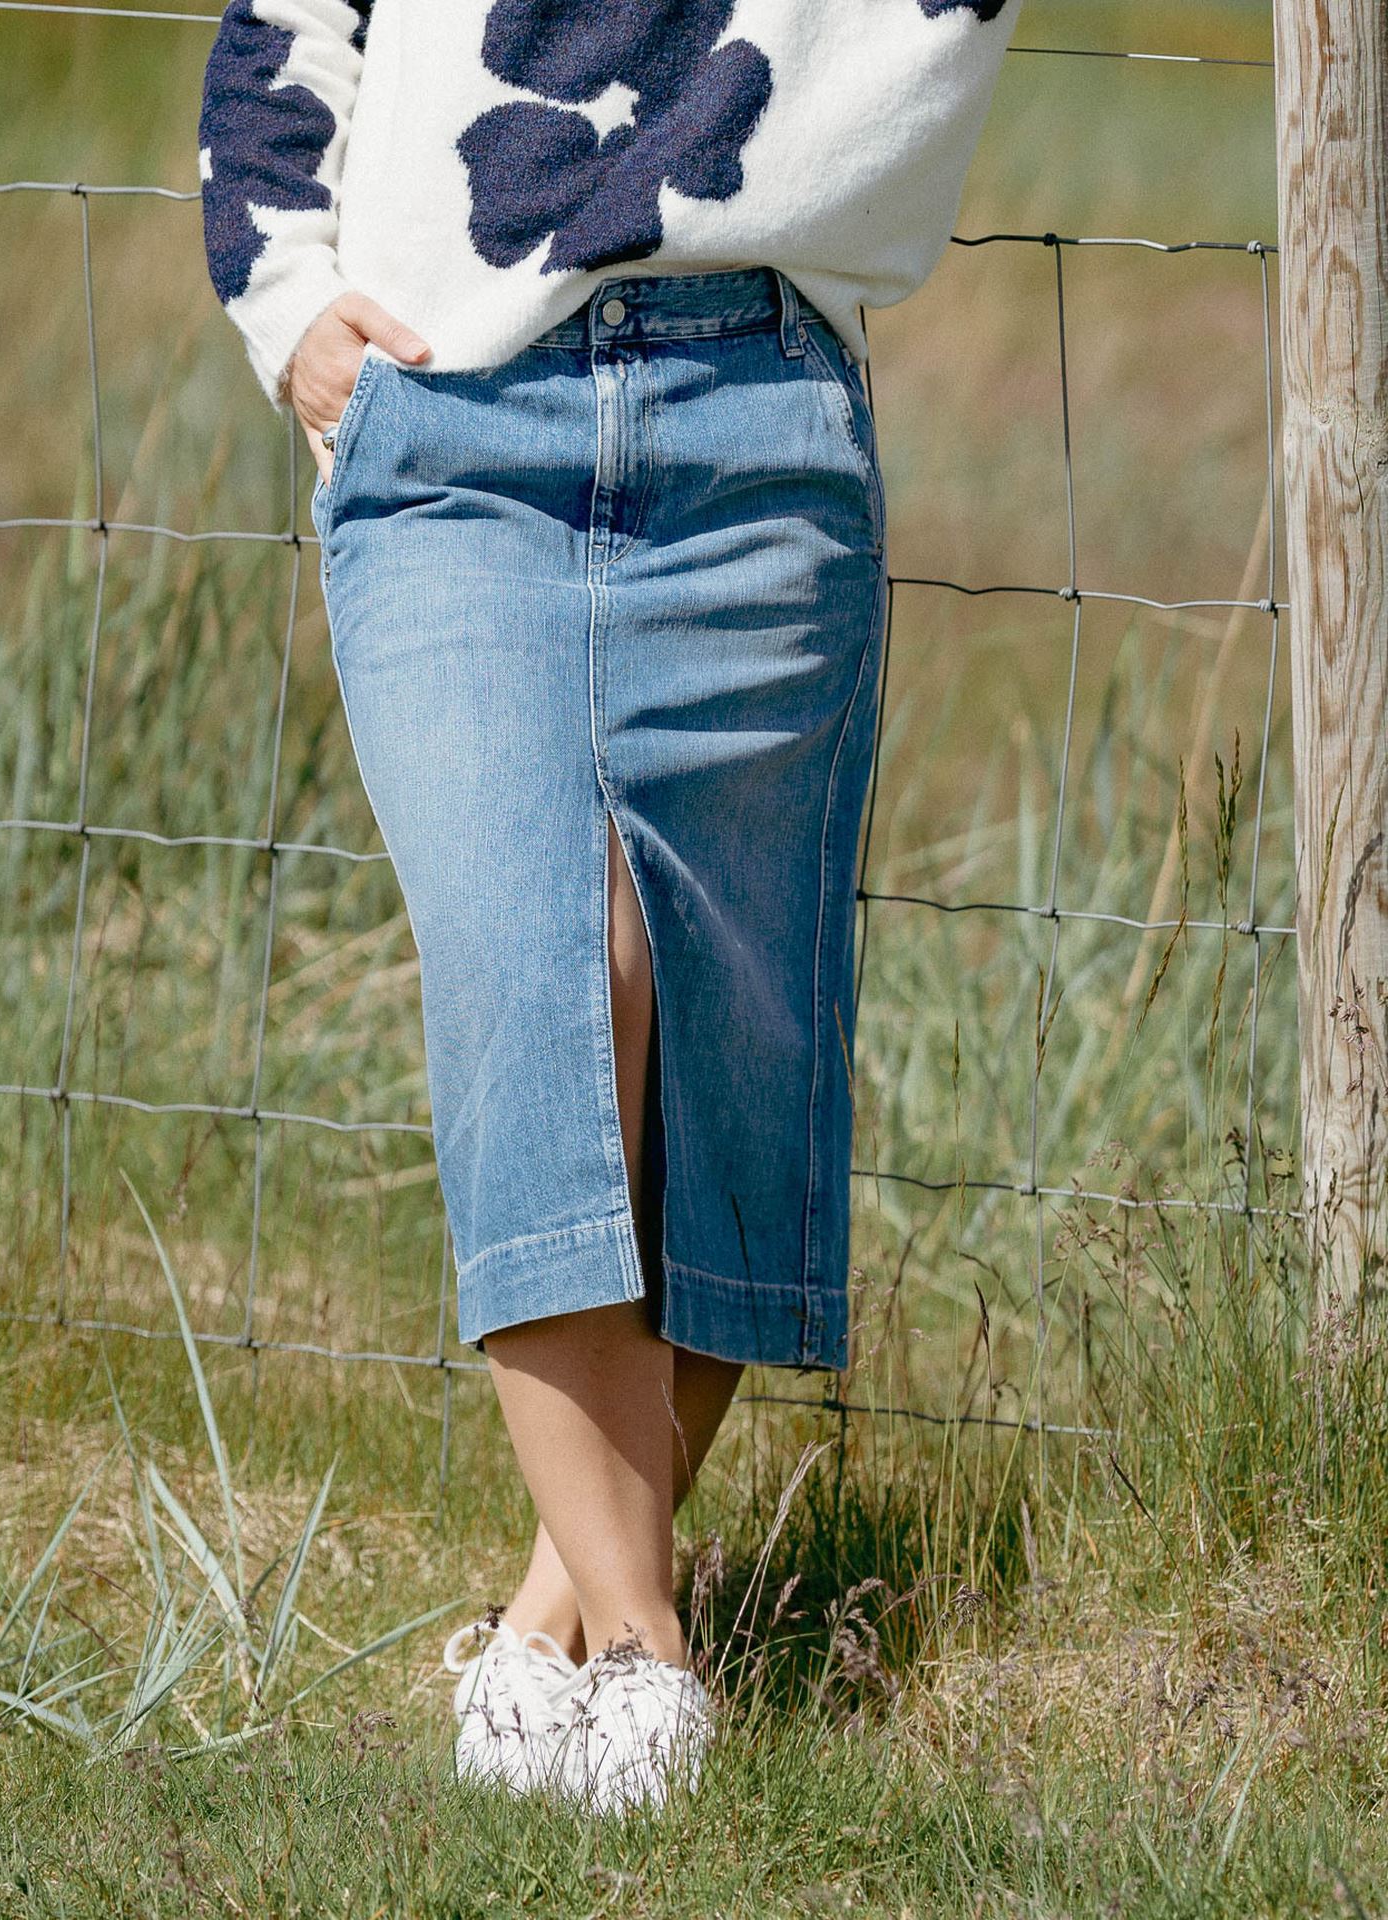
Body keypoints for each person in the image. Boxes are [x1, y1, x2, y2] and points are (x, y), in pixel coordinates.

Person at [198, 0, 1021, 1812]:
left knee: (725, 1048)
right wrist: (282, 302)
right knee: (543, 965)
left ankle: (541, 1637)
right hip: (453, 412)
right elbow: (282, 21)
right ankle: (654, 1652)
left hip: (760, 415)